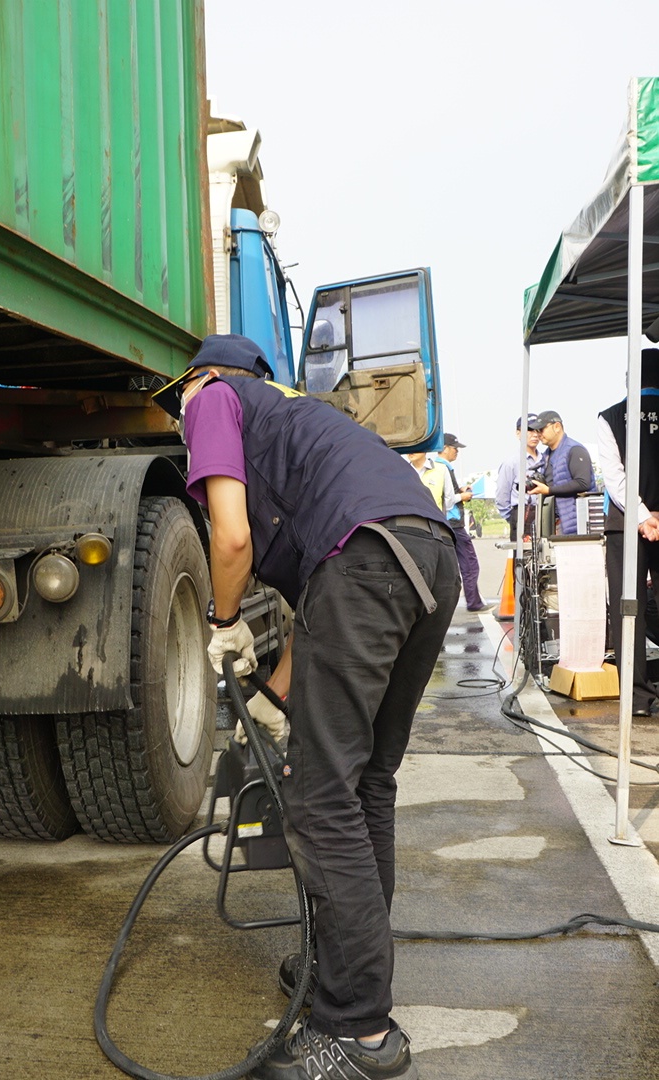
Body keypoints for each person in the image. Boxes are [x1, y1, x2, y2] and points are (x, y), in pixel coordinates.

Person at [161, 333, 458, 1080]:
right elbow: (319, 604)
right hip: (428, 561)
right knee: (365, 785)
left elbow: (228, 540)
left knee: (322, 797)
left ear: (205, 377)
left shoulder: (215, 400)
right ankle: (342, 972)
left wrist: (223, 625)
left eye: (178, 400)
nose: (179, 418)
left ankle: (357, 1031)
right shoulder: (307, 428)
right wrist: (272, 700)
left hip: (369, 566)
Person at [597, 348, 659, 717]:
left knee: (628, 609)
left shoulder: (610, 417)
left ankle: (636, 698)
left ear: (629, 381)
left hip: (625, 526)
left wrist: (641, 516)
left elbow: (615, 476)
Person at [436, 434, 488, 612]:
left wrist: (460, 489)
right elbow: (449, 499)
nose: (457, 451)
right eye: (454, 447)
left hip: (441, 522)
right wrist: (463, 496)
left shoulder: (434, 467)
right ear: (444, 448)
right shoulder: (444, 468)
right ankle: (474, 601)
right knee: (470, 563)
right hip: (454, 523)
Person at [528, 411, 596, 534]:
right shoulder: (547, 455)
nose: (538, 434)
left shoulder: (575, 450)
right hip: (555, 522)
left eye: (541, 429)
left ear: (557, 427)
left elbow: (583, 483)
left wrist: (549, 490)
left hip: (577, 525)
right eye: (536, 431)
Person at [495, 415, 546, 541]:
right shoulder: (511, 463)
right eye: (529, 430)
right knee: (523, 558)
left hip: (545, 517)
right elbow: (502, 497)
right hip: (522, 516)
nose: (534, 434)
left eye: (537, 430)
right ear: (518, 433)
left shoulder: (547, 459)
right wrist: (514, 519)